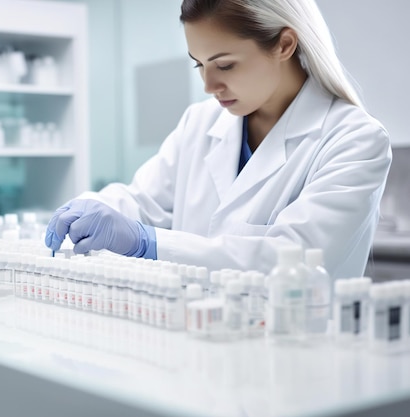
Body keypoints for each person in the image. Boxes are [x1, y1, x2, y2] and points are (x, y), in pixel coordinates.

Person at [45, 0, 391, 279]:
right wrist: (87, 211)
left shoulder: (354, 140)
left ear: (285, 44)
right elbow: (142, 202)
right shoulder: (200, 122)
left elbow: (295, 261)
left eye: (224, 66)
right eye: (199, 65)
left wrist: (146, 242)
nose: (209, 86)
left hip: (294, 348)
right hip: (192, 340)